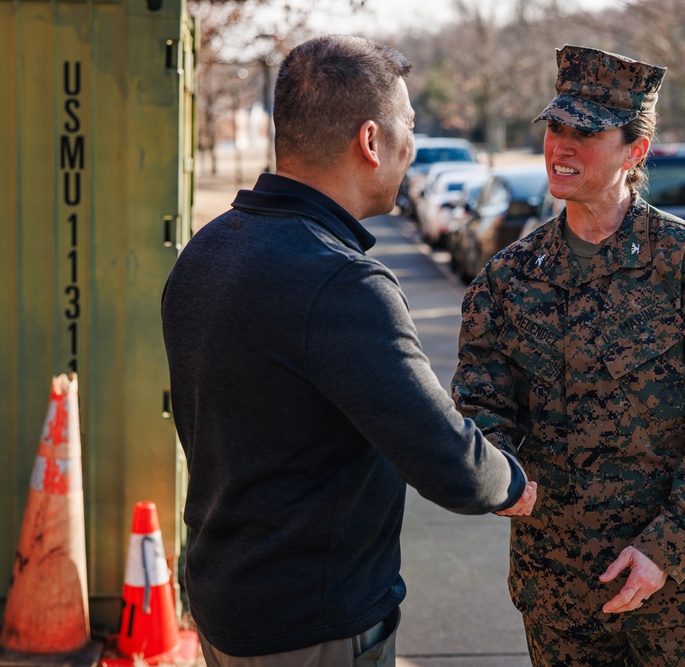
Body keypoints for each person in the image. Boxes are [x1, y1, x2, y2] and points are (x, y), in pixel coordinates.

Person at [161, 35, 536, 667]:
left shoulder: (208, 250)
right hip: (313, 625)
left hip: (226, 602)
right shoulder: (341, 283)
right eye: (408, 127)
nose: (411, 147)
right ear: (371, 141)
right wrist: (518, 485)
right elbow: (448, 460)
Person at [451, 45, 685, 667]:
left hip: (683, 591)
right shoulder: (508, 279)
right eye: (555, 129)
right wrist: (500, 477)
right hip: (560, 590)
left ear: (635, 151)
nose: (561, 148)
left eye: (586, 133)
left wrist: (665, 548)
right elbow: (481, 407)